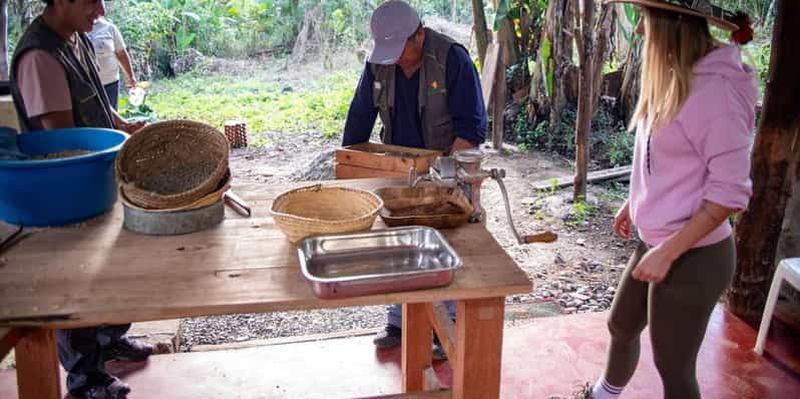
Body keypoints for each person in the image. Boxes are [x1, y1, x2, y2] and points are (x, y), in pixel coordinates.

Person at [589, 1, 756, 398]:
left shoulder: (714, 91)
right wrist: (636, 201)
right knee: (622, 325)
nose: (640, 32)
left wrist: (669, 251)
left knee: (674, 367)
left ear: (670, 26)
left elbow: (731, 193)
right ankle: (602, 394)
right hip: (658, 240)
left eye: (645, 21)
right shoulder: (675, 74)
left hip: (695, 254)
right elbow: (664, 156)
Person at [10, 1, 150, 398]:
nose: (100, 9)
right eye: (91, 0)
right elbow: (65, 140)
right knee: (76, 275)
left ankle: (108, 342)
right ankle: (85, 378)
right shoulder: (40, 56)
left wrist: (121, 126)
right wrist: (115, 150)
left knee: (111, 265)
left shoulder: (75, 40)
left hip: (94, 179)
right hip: (66, 190)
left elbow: (95, 100)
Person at [342, 0, 487, 354]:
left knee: (446, 245)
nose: (394, 58)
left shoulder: (452, 58)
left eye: (401, 48)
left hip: (448, 160)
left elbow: (472, 127)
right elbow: (359, 118)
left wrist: (445, 176)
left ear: (419, 35)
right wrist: (351, 168)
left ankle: (445, 328)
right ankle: (399, 321)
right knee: (397, 241)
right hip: (399, 165)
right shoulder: (379, 62)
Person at [88, 15, 136, 110]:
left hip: (110, 83)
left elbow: (121, 54)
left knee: (111, 118)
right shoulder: (76, 30)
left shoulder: (110, 28)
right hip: (88, 85)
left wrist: (131, 77)